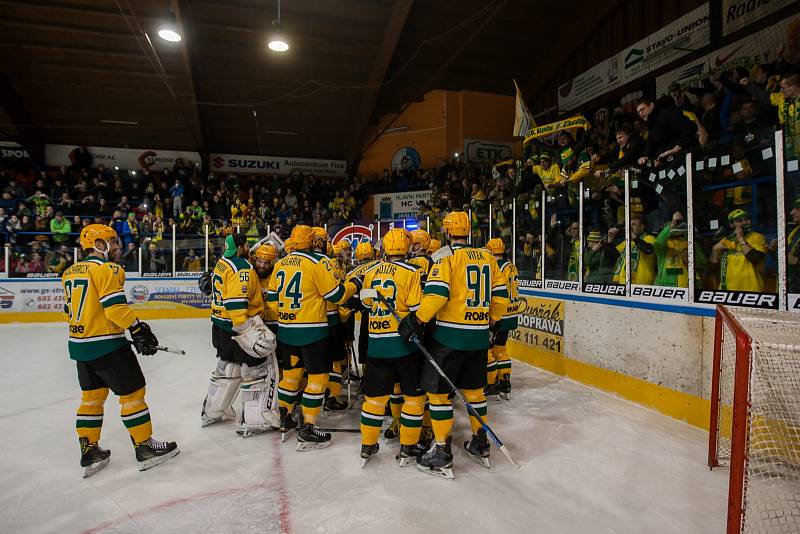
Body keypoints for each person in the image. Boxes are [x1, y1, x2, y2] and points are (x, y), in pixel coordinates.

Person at [398, 211, 508, 478]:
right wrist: (490, 320)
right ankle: (480, 442)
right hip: (478, 336)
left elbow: (437, 294)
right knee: (474, 392)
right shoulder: (487, 257)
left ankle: (441, 451)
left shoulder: (446, 257)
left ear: (447, 233)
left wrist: (417, 319)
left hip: (449, 337)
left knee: (438, 395)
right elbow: (502, 296)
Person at [63, 224, 178, 477]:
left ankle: (89, 450)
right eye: (111, 241)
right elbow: (115, 308)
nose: (117, 246)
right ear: (98, 245)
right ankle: (145, 447)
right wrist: (137, 329)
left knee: (91, 399)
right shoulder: (105, 269)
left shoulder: (70, 271)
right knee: (134, 393)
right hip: (106, 344)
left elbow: (67, 310)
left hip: (80, 345)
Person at [267, 225, 359, 450]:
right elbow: (335, 295)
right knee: (317, 380)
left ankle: (285, 418)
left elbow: (271, 300)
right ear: (312, 241)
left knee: (290, 378)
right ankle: (308, 427)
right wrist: (354, 284)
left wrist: (288, 317)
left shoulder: (280, 263)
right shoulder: (319, 262)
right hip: (314, 332)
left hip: (287, 331)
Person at [358, 229, 427, 466]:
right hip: (405, 347)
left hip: (377, 345)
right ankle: (408, 446)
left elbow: (366, 306)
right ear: (406, 248)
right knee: (413, 399)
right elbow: (418, 310)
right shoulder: (413, 272)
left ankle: (368, 444)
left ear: (385, 249)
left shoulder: (370, 272)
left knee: (375, 400)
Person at [201, 233, 279, 437]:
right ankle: (256, 420)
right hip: (237, 327)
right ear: (239, 247)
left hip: (219, 326)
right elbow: (236, 305)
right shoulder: (242, 268)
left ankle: (213, 411)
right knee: (257, 371)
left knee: (228, 368)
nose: (249, 249)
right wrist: (247, 333)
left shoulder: (222, 263)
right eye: (246, 245)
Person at [484, 238, 519, 401]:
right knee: (501, 350)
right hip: (511, 314)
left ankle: (491, 383)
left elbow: (496, 292)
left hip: (499, 314)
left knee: (488, 350)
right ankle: (505, 382)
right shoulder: (511, 265)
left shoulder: (495, 266)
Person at [710, 209, 768, 292]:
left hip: (752, 289)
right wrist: (714, 250)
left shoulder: (758, 237)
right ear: (731, 224)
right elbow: (714, 266)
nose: (744, 222)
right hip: (729, 289)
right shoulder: (726, 240)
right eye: (739, 220)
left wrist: (741, 239)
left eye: (747, 219)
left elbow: (756, 258)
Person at [612, 215, 657, 285]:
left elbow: (647, 249)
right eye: (630, 225)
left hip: (641, 284)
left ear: (642, 226)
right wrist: (610, 240)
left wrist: (633, 235)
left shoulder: (650, 238)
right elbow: (614, 254)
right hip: (623, 283)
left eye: (634, 225)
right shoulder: (628, 241)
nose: (630, 227)